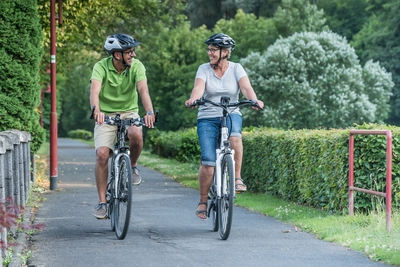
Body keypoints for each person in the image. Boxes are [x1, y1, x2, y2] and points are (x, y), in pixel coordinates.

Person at [185, 33, 264, 221]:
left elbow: (245, 88)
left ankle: (237, 178)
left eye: (213, 50)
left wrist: (253, 99)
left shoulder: (236, 68)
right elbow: (198, 88)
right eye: (209, 49)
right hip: (207, 117)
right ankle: (203, 202)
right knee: (208, 162)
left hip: (230, 113)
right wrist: (193, 99)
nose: (209, 53)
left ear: (225, 52)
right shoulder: (203, 69)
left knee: (235, 136)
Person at [90, 33, 156, 219]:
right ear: (117, 55)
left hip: (129, 112)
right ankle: (102, 202)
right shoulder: (100, 67)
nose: (133, 55)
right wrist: (96, 110)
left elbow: (143, 90)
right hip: (106, 114)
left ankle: (133, 165)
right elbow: (95, 91)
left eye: (133, 51)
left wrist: (149, 112)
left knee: (136, 133)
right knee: (102, 154)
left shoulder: (137, 66)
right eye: (129, 52)